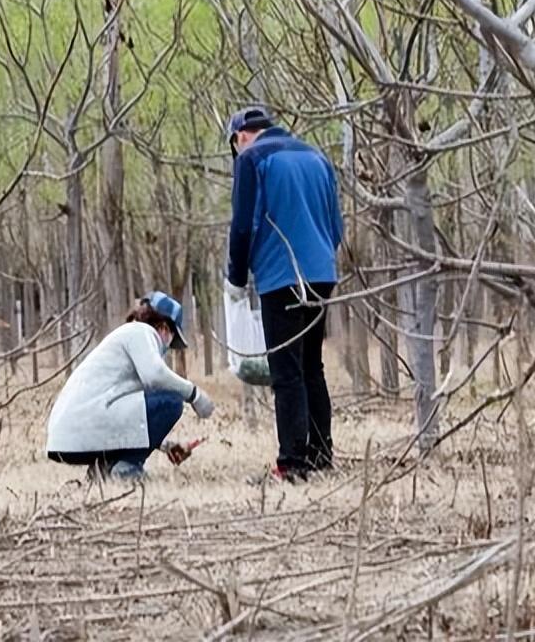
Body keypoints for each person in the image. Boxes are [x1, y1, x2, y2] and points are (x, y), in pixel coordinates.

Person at [224, 106, 343, 482]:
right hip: (322, 273)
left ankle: (292, 463)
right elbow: (336, 225)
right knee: (312, 366)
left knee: (286, 371)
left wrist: (236, 277)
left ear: (241, 136)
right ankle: (321, 455)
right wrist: (320, 259)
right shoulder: (317, 157)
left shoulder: (252, 160)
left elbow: (243, 226)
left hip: (281, 276)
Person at [44, 291, 214, 480]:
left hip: (67, 438)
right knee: (172, 401)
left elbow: (132, 418)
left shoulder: (127, 338)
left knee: (160, 400)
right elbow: (156, 376)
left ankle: (104, 469)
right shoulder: (141, 332)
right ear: (165, 328)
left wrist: (165, 445)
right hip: (85, 426)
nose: (168, 347)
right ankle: (126, 469)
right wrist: (193, 394)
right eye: (172, 340)